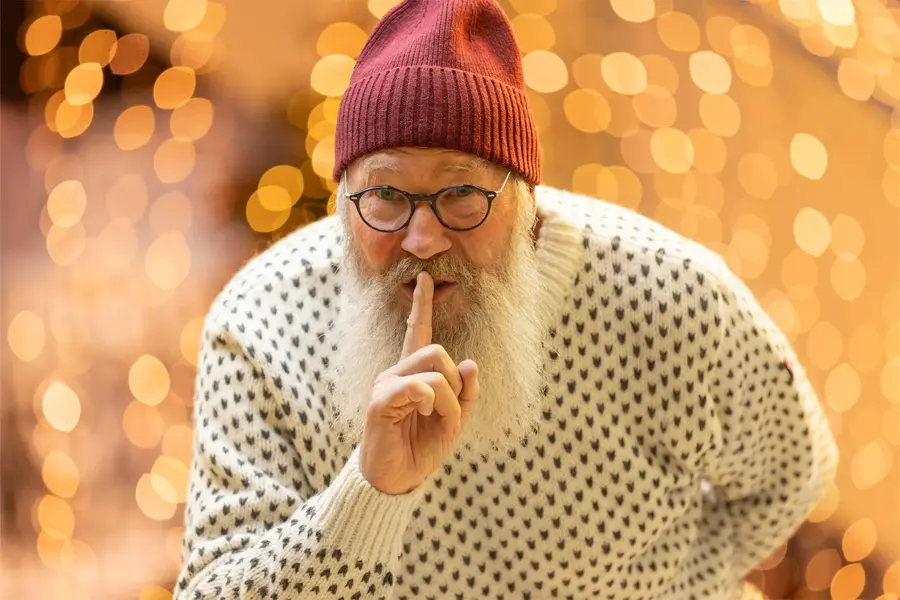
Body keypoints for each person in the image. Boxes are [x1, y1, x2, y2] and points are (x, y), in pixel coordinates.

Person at [175, 0, 838, 598]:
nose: (424, 237)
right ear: (344, 195)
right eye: (385, 196)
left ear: (523, 198)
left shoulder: (673, 298)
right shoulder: (260, 324)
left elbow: (791, 474)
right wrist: (368, 492)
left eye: (461, 194)